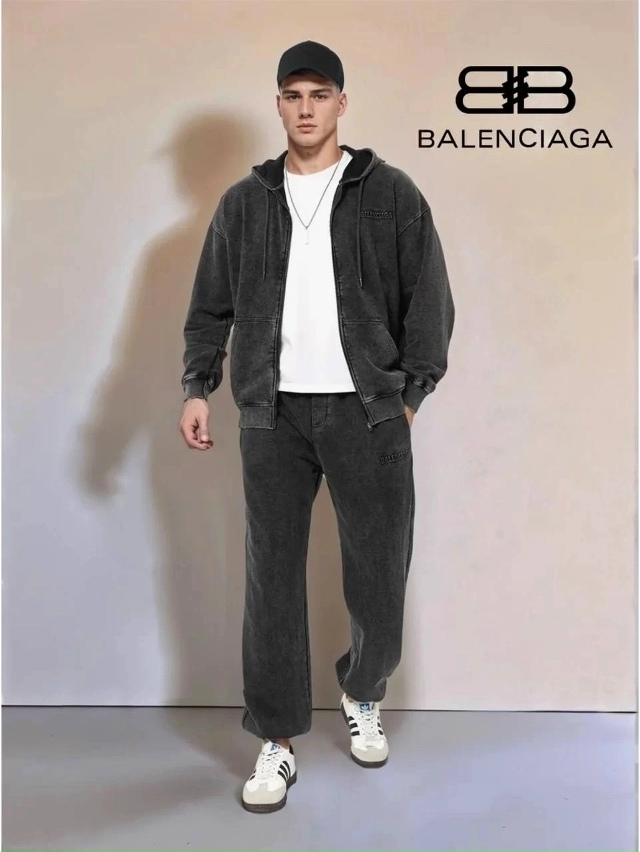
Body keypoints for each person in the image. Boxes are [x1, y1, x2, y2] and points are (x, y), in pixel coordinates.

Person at [179, 40, 455, 814]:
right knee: (271, 582)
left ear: (341, 103)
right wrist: (199, 386)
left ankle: (362, 689)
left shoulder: (389, 193)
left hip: (367, 412)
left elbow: (429, 298)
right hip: (271, 415)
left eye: (319, 94)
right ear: (278, 105)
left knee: (379, 578)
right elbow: (210, 307)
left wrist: (410, 395)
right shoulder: (244, 203)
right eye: (293, 94)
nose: (306, 108)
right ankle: (277, 738)